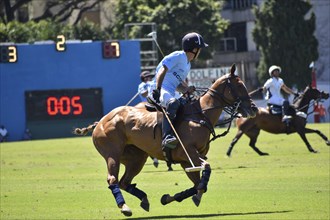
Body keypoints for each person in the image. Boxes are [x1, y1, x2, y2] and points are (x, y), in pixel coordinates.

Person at [149, 32, 208, 150]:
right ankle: (167, 137)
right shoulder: (178, 55)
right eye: (199, 49)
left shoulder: (188, 65)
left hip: (171, 92)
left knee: (189, 105)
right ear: (194, 49)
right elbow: (162, 71)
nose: (200, 52)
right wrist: (158, 89)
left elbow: (177, 84)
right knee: (173, 103)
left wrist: (187, 89)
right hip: (160, 89)